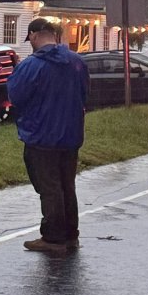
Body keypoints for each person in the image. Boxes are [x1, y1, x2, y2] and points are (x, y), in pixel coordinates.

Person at [7, 18, 90, 255]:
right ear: (54, 35)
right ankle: (70, 235)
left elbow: (15, 96)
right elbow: (85, 93)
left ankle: (53, 237)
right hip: (71, 134)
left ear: (33, 36)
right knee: (67, 185)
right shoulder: (77, 62)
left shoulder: (31, 66)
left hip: (41, 135)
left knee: (49, 187)